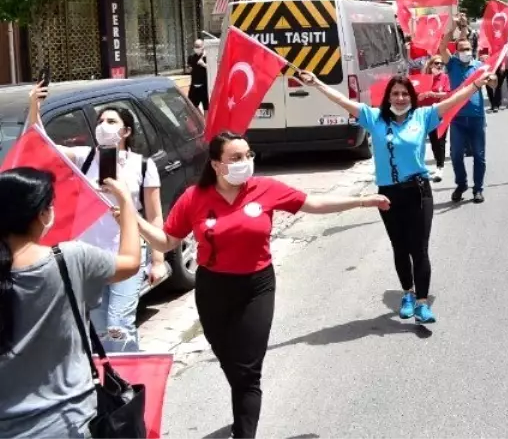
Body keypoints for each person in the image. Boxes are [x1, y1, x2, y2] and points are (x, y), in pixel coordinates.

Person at [136, 131, 386, 439]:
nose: (245, 162)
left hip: (257, 286)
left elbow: (314, 203)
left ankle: (244, 431)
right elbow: (167, 239)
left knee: (249, 371)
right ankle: (244, 405)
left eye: (248, 155)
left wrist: (361, 201)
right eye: (236, 158)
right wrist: (134, 221)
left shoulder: (265, 189)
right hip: (213, 289)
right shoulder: (194, 197)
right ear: (216, 164)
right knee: (233, 366)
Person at [302, 70, 484, 326]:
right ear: (388, 96)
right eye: (395, 94)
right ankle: (407, 293)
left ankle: (422, 303)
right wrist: (318, 83)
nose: (400, 98)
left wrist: (476, 85)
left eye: (404, 94)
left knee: (419, 249)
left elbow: (454, 100)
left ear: (412, 96)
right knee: (399, 247)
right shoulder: (373, 117)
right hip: (388, 194)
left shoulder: (423, 116)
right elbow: (342, 101)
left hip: (418, 191)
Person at [0, 162, 143, 439]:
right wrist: (125, 202)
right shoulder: (69, 258)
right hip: (72, 422)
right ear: (42, 214)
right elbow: (132, 262)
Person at [30, 94, 167, 352]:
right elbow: (43, 145)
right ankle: (114, 382)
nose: (103, 125)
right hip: (91, 257)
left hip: (127, 254)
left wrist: (158, 261)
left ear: (126, 131)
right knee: (102, 326)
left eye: (111, 121)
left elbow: (154, 215)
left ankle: (129, 381)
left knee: (119, 323)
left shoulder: (143, 165)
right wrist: (34, 106)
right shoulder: (86, 157)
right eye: (100, 120)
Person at [440, 29, 499, 202]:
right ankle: (461, 184)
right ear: (457, 51)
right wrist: (452, 28)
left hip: (476, 118)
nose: (465, 52)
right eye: (461, 49)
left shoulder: (479, 67)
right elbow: (442, 47)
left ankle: (478, 189)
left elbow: (494, 84)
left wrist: (493, 79)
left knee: (479, 156)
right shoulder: (452, 64)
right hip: (457, 118)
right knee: (456, 155)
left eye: (467, 49)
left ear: (472, 50)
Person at [418, 56, 451, 183]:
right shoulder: (424, 78)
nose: (440, 66)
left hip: (439, 112)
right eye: (437, 63)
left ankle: (440, 166)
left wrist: (433, 94)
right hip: (424, 113)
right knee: (427, 140)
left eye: (442, 64)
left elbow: (447, 93)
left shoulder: (444, 77)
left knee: (439, 140)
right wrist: (421, 96)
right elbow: (417, 94)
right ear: (431, 65)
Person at [188, 38, 209, 113]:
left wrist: (203, 64)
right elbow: (190, 69)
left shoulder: (207, 57)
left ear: (203, 47)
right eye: (195, 46)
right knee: (191, 106)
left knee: (206, 108)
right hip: (194, 86)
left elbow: (212, 70)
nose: (197, 48)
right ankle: (200, 120)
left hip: (205, 87)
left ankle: (206, 123)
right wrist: (189, 69)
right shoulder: (191, 57)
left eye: (198, 46)